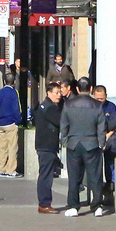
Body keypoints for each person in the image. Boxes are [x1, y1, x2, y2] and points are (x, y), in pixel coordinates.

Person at [59, 76, 105, 217]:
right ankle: (97, 205)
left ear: (77, 89)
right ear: (91, 89)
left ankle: (73, 205)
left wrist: (65, 141)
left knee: (74, 177)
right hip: (91, 143)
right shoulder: (97, 105)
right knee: (95, 176)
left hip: (73, 143)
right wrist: (101, 143)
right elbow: (101, 127)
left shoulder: (68, 104)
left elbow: (64, 125)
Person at [0, 72, 23, 179]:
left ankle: (2, 169)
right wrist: (18, 120)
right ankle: (11, 170)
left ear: (4, 81)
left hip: (1, 124)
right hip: (11, 123)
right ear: (14, 82)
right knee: (12, 148)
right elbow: (18, 109)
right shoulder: (14, 93)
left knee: (3, 147)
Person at [34, 82, 64, 213]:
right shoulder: (50, 108)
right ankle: (44, 203)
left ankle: (44, 202)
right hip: (47, 146)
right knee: (46, 175)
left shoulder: (43, 105)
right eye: (56, 93)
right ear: (48, 93)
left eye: (60, 93)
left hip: (43, 144)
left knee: (45, 174)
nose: (59, 95)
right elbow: (61, 122)